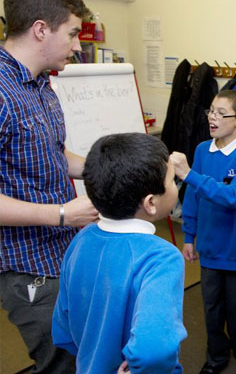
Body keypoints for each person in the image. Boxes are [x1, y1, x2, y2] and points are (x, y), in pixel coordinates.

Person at [0, 0, 99, 373]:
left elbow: (54, 156)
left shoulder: (41, 85)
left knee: (81, 353)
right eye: (73, 34)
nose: (78, 46)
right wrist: (61, 214)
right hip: (28, 268)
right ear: (41, 29)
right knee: (61, 363)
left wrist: (109, 164)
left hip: (62, 252)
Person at [52, 133, 187, 374]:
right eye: (171, 181)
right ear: (150, 203)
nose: (175, 184)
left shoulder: (81, 238)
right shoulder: (161, 258)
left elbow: (63, 327)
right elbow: (155, 351)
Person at [170, 89, 236, 374]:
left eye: (221, 114)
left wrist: (189, 175)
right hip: (209, 246)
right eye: (211, 111)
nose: (213, 117)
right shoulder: (201, 150)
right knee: (211, 308)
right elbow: (195, 196)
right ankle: (216, 355)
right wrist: (189, 235)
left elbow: (234, 196)